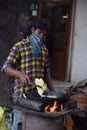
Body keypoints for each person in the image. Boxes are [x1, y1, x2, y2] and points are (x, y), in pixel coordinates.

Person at [1, 20, 55, 129]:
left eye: (44, 34)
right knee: (19, 124)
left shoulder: (44, 50)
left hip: (37, 96)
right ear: (32, 30)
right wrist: (19, 74)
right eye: (39, 32)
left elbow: (46, 73)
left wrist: (53, 92)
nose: (41, 36)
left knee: (33, 124)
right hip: (21, 95)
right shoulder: (19, 47)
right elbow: (5, 67)